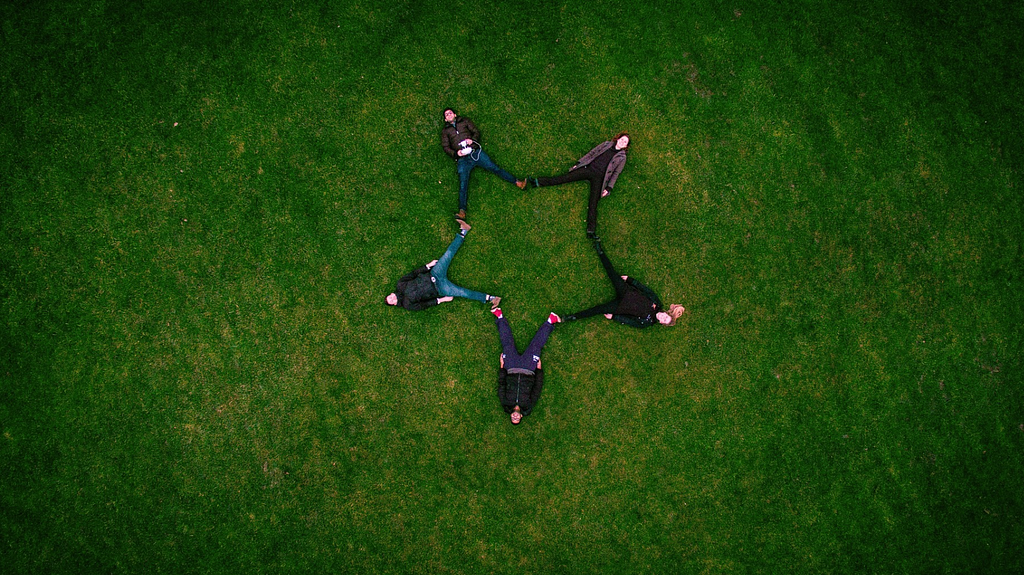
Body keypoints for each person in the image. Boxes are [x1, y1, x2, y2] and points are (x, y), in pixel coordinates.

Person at [526, 132, 630, 238]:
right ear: (617, 139)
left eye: (625, 142)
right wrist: (579, 163)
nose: (622, 142)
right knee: (564, 178)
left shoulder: (622, 158)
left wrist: (609, 188)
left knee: (593, 203)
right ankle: (537, 182)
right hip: (588, 169)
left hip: (599, 179)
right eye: (622, 139)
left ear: (625, 146)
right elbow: (592, 153)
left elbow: (616, 173)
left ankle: (591, 230)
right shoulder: (606, 144)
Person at [564, 238, 685, 328]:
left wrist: (614, 317)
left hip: (620, 307)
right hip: (626, 291)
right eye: (665, 316)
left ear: (661, 323)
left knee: (598, 309)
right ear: (665, 312)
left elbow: (629, 321)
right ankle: (599, 250)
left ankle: (573, 317)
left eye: (664, 320)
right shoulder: (656, 302)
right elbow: (645, 289)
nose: (662, 317)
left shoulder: (646, 323)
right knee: (612, 273)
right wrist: (630, 280)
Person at [385, 218, 501, 311]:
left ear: (391, 293)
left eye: (390, 296)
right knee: (462, 292)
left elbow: (414, 273)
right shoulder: (408, 305)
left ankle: (463, 231)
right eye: (391, 300)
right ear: (394, 304)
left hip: (434, 273)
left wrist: (428, 266)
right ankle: (491, 298)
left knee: (447, 255)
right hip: (440, 289)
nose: (392, 297)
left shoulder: (401, 284)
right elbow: (426, 304)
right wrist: (443, 299)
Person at [441, 108, 526, 220]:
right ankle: (462, 211)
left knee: (494, 167)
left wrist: (472, 140)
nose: (449, 115)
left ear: (455, 115)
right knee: (463, 183)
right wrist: (456, 153)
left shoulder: (464, 121)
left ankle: (517, 182)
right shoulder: (445, 131)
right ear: (446, 119)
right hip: (463, 159)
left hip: (475, 152)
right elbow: (446, 147)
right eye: (446, 115)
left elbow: (476, 132)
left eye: (450, 113)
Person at [493, 308, 561, 424]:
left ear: (511, 415)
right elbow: (537, 388)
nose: (515, 416)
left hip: (511, 367)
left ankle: (499, 316)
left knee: (507, 344)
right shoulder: (528, 405)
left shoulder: (505, 402)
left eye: (513, 418)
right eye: (517, 418)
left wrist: (502, 366)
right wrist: (539, 370)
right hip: (528, 369)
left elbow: (502, 384)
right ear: (521, 417)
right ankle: (550, 321)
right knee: (536, 346)